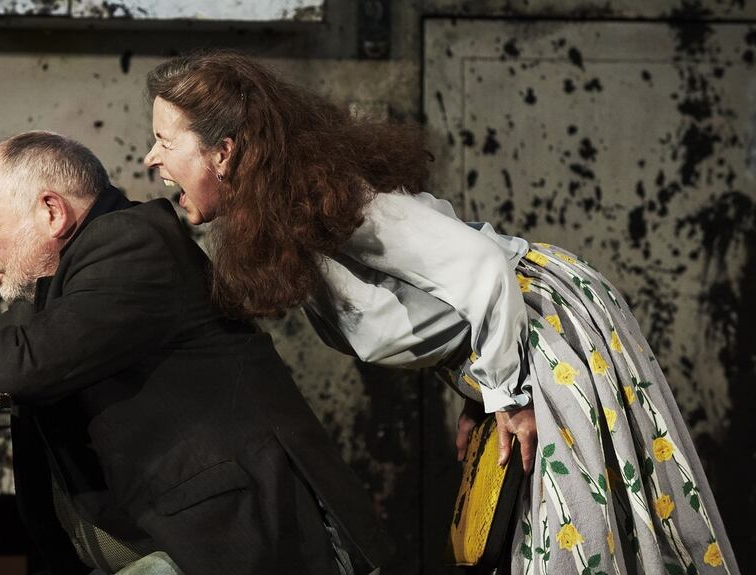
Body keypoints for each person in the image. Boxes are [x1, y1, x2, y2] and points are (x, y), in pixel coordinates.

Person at [142, 51, 738, 574]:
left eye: (166, 142)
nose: (151, 159)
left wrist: (507, 391)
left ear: (223, 152)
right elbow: (442, 305)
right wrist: (480, 390)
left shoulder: (337, 206)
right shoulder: (294, 218)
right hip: (517, 341)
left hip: (552, 334)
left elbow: (482, 268)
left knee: (573, 535)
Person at [0, 131, 394, 575]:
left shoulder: (132, 243)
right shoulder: (71, 274)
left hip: (239, 546)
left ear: (50, 211)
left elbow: (27, 362)